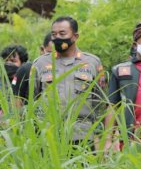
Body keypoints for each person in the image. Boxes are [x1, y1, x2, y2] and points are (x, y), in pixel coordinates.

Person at [31, 16, 107, 146]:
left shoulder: (92, 63)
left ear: (75, 36)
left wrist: (102, 138)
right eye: (54, 34)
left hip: (82, 136)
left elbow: (101, 104)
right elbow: (32, 100)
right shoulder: (40, 63)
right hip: (48, 136)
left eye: (62, 33)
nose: (57, 38)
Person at [105, 20, 141, 149]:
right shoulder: (121, 71)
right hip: (131, 141)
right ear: (135, 44)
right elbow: (112, 106)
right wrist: (108, 140)